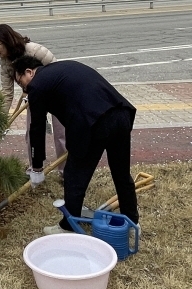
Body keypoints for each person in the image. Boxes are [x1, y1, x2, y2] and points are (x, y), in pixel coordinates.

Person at [12, 56, 139, 235]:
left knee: (74, 176)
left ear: (29, 72)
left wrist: (37, 167)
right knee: (121, 173)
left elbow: (37, 127)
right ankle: (132, 222)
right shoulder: (61, 69)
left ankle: (69, 226)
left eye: (21, 82)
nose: (24, 89)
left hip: (94, 124)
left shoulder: (37, 84)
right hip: (121, 115)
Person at [0, 24, 66, 176]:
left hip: (57, 94)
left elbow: (58, 71)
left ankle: (65, 171)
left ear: (7, 40)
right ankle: (35, 169)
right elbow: (7, 93)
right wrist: (1, 119)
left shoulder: (34, 50)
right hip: (34, 96)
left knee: (61, 134)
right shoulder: (5, 63)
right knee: (32, 132)